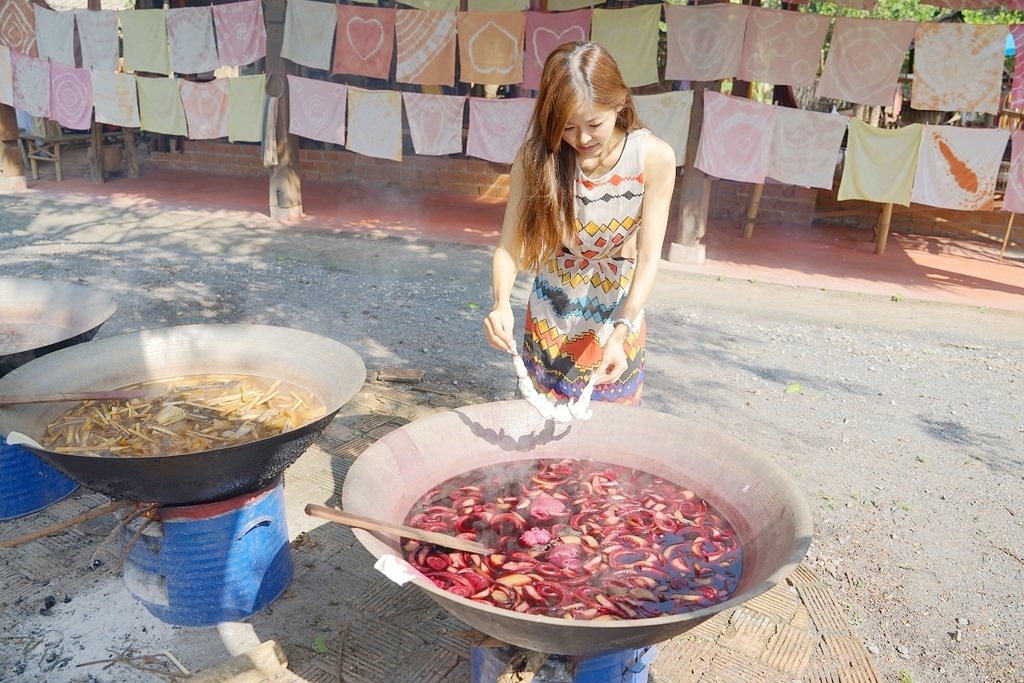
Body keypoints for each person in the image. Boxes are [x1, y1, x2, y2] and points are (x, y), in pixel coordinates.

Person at [483, 41, 676, 406]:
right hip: (550, 311)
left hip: (618, 315)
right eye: (568, 127)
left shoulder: (653, 158)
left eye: (594, 124)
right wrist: (499, 304)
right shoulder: (536, 158)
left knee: (608, 443)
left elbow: (649, 259)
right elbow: (508, 248)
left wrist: (621, 333)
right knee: (541, 434)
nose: (582, 139)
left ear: (619, 103)